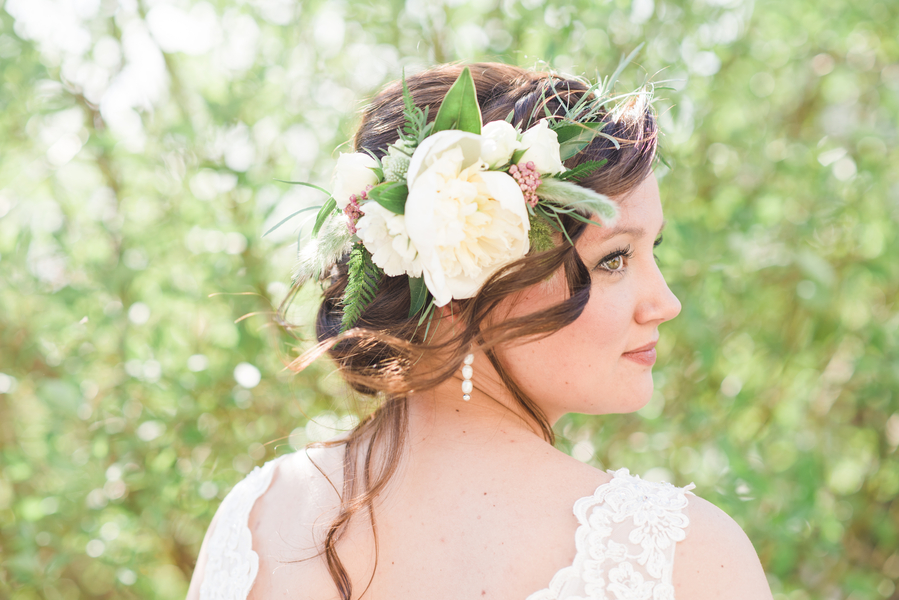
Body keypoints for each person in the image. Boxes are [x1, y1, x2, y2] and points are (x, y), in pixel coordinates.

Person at [187, 62, 773, 600]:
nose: (665, 303)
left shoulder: (255, 519)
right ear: (462, 274)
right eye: (614, 259)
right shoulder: (683, 558)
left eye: (654, 252)